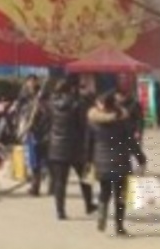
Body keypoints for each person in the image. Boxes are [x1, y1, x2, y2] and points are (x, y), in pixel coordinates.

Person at [87, 90, 147, 236]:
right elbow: (131, 142)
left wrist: (88, 161)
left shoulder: (94, 123)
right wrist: (141, 158)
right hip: (121, 163)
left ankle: (102, 214)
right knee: (121, 196)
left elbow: (88, 144)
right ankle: (119, 226)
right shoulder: (122, 122)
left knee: (104, 192)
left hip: (102, 164)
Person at [48, 79, 96, 219]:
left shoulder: (52, 104)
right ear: (71, 89)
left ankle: (60, 211)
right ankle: (89, 204)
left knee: (60, 181)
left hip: (56, 147)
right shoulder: (77, 104)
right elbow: (83, 126)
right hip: (76, 147)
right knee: (86, 177)